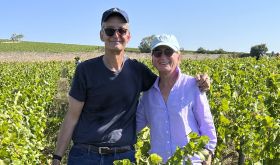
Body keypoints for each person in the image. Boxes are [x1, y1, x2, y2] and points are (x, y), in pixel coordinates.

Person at [52, 8, 210, 165]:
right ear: (101, 35)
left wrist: (200, 81)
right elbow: (71, 117)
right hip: (85, 155)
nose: (116, 35)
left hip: (123, 156)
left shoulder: (138, 71)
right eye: (109, 31)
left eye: (121, 30)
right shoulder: (85, 70)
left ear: (128, 36)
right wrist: (57, 157)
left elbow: (168, 80)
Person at [136, 34, 217, 165]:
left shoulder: (193, 85)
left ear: (179, 57)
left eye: (168, 51)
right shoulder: (148, 93)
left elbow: (206, 124)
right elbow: (135, 124)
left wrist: (208, 153)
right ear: (152, 59)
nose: (163, 57)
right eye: (157, 53)